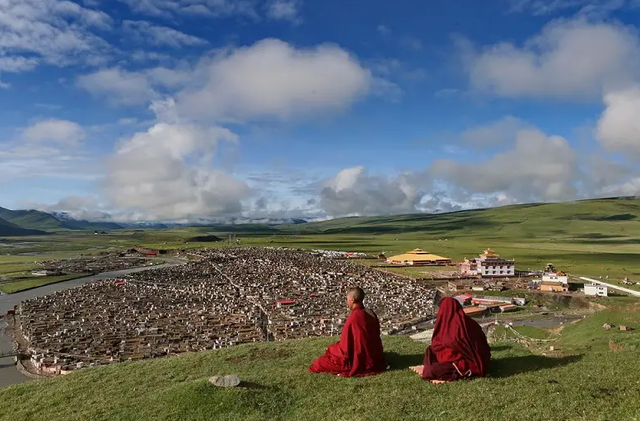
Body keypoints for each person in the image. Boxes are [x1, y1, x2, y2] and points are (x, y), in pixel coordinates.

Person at [309, 287, 387, 377]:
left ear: (352, 300)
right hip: (375, 355)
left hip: (361, 359)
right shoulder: (371, 313)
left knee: (319, 363)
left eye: (348, 299)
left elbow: (345, 349)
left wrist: (332, 349)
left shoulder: (354, 318)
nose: (347, 302)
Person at [409, 297, 491, 384]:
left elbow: (455, 343)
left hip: (466, 360)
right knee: (429, 350)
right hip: (454, 355)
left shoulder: (464, 325)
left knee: (430, 371)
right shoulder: (447, 323)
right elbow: (437, 343)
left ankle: (458, 371)